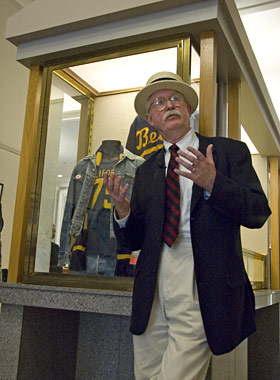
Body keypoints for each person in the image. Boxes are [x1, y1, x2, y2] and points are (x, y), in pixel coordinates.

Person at [104, 71, 271, 380]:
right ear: (150, 119)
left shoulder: (228, 153)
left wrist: (214, 183)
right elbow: (134, 239)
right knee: (147, 374)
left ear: (188, 108)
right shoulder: (145, 171)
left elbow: (258, 212)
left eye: (175, 99)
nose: (168, 105)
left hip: (201, 283)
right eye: (159, 102)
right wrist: (122, 209)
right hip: (152, 285)